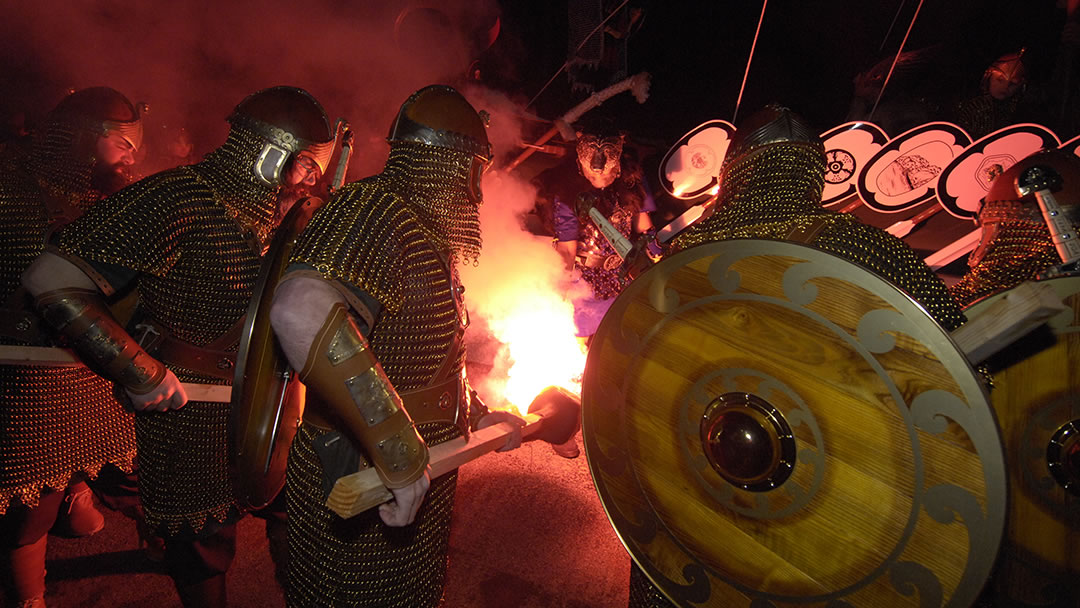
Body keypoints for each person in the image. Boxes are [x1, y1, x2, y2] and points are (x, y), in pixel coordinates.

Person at [21, 86, 335, 607]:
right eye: (307, 165)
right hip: (191, 406)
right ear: (272, 155)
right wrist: (136, 369)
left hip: (278, 398)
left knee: (301, 523)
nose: (313, 178)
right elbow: (50, 277)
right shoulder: (178, 199)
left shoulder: (290, 213)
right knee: (201, 546)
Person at [269, 84, 523, 608]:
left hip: (416, 462)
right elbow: (297, 308)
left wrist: (474, 416)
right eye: (476, 174)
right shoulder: (376, 211)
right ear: (455, 167)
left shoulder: (422, 231)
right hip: (359, 466)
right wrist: (399, 451)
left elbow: (422, 360)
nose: (477, 193)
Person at [0, 87, 142, 608]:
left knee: (120, 457)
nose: (132, 156)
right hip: (31, 363)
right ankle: (28, 596)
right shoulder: (14, 192)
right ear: (85, 140)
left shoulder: (101, 194)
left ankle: (77, 488)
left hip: (93, 356)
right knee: (29, 496)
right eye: (122, 144)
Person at [534, 129, 658, 340]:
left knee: (615, 341)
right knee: (577, 342)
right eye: (592, 175)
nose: (599, 178)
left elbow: (644, 225)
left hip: (622, 276)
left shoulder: (633, 180)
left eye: (606, 174)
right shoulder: (567, 191)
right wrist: (560, 292)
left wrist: (655, 250)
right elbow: (566, 248)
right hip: (583, 283)